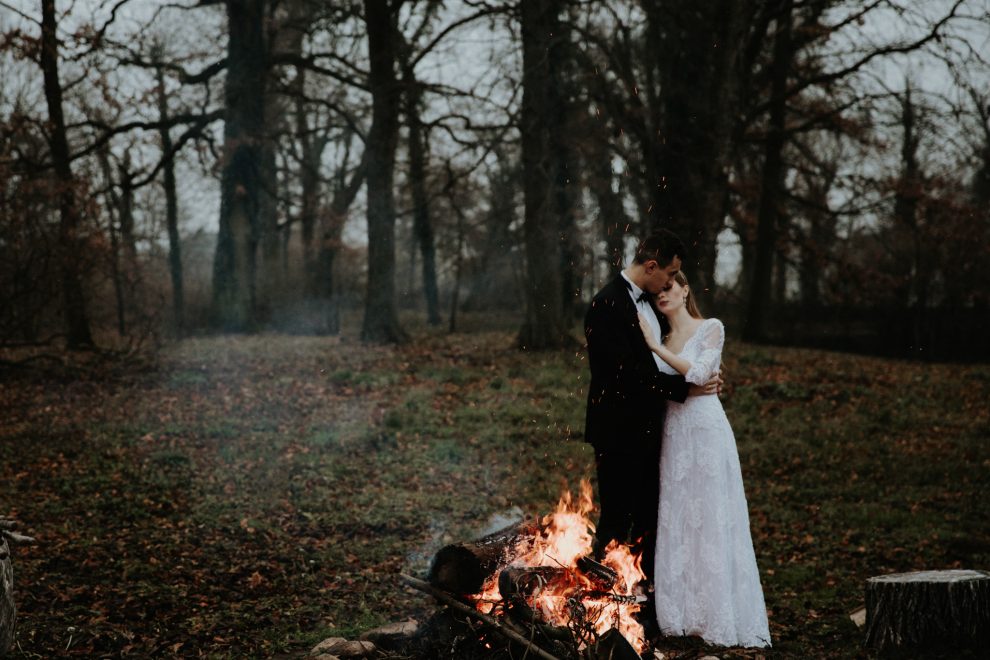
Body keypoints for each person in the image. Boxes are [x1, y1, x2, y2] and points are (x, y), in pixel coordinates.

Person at [637, 271, 771, 647]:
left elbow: (699, 372)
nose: (662, 295)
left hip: (707, 432)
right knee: (678, 517)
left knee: (710, 516)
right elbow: (676, 384)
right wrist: (660, 351)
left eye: (669, 287)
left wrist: (658, 351)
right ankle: (679, 617)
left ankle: (718, 617)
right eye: (657, 291)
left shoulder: (710, 327)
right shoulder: (659, 335)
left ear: (684, 289)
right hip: (674, 433)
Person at [583, 230, 720, 596]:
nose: (671, 283)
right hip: (616, 431)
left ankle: (642, 599)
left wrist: (701, 372)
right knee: (616, 517)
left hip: (653, 428)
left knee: (649, 517)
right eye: (671, 274)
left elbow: (670, 353)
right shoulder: (606, 305)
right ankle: (596, 598)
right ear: (651, 265)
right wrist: (686, 389)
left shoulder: (653, 307)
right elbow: (626, 375)